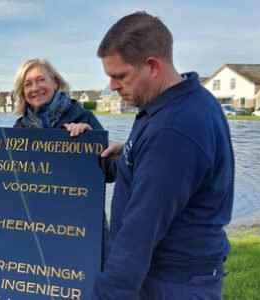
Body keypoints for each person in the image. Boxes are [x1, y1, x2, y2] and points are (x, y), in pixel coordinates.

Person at [93, 12, 234, 300]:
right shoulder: (183, 102)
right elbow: (164, 175)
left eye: (120, 76)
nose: (112, 86)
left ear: (153, 66)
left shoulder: (173, 130)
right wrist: (128, 154)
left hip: (172, 282)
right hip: (176, 274)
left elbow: (140, 231)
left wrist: (107, 295)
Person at [0, 58, 103, 134]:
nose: (35, 88)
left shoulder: (83, 117)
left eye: (41, 80)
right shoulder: (20, 127)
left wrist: (91, 139)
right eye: (27, 84)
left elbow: (111, 171)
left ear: (55, 83)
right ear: (23, 92)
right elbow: (0, 167)